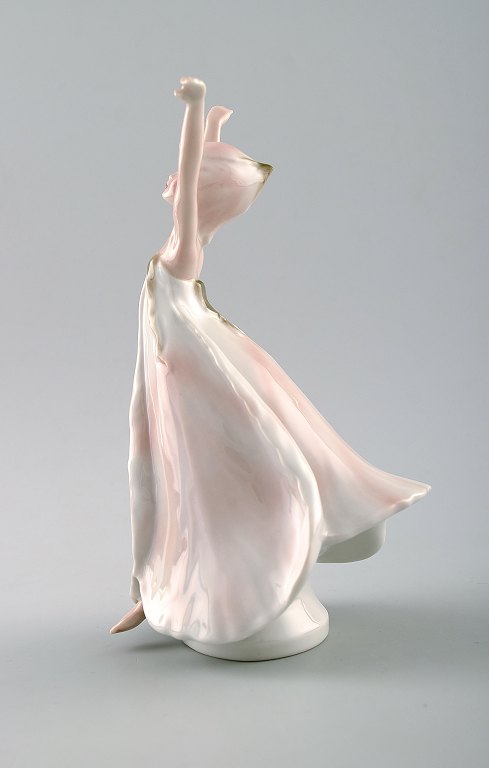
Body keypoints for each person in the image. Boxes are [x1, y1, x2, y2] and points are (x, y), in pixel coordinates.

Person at [110, 77, 430, 652]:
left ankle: (222, 589)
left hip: (196, 378)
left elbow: (189, 172)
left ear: (197, 193)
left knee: (210, 474)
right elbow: (194, 173)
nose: (171, 178)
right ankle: (160, 587)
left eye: (181, 176)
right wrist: (215, 127)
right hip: (179, 370)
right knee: (173, 478)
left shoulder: (184, 245)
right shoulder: (185, 243)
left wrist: (195, 110)